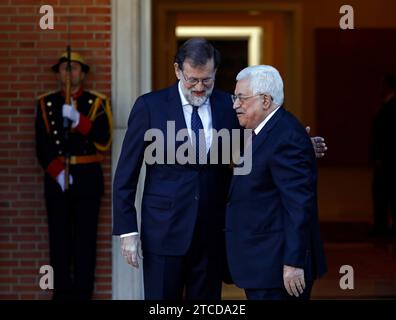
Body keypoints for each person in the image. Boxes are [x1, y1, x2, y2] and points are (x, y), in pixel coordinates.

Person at [112, 38, 327, 300]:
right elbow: (126, 174)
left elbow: (262, 138)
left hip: (213, 232)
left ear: (214, 73)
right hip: (164, 233)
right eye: (192, 80)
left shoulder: (229, 104)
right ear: (178, 71)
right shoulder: (149, 106)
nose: (200, 87)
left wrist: (302, 144)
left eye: (207, 80)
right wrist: (127, 230)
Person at [225, 65, 327, 300]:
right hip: (263, 264)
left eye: (241, 98)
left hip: (278, 268)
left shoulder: (286, 137)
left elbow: (298, 206)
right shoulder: (265, 131)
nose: (235, 104)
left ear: (265, 100)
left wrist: (293, 262)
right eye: (234, 97)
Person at [35, 51, 112, 300]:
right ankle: (62, 294)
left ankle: (83, 295)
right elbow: (41, 145)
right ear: (58, 73)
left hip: (88, 177)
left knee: (85, 242)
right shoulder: (46, 103)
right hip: (58, 179)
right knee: (59, 241)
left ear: (83, 73)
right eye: (65, 68)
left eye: (75, 68)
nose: (69, 73)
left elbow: (104, 138)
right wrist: (57, 172)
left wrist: (79, 120)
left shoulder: (96, 101)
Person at [371, 74, 396, 237]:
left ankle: (383, 231)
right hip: (387, 160)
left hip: (388, 161)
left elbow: (385, 135)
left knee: (384, 195)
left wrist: (379, 157)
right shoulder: (387, 106)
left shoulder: (390, 108)